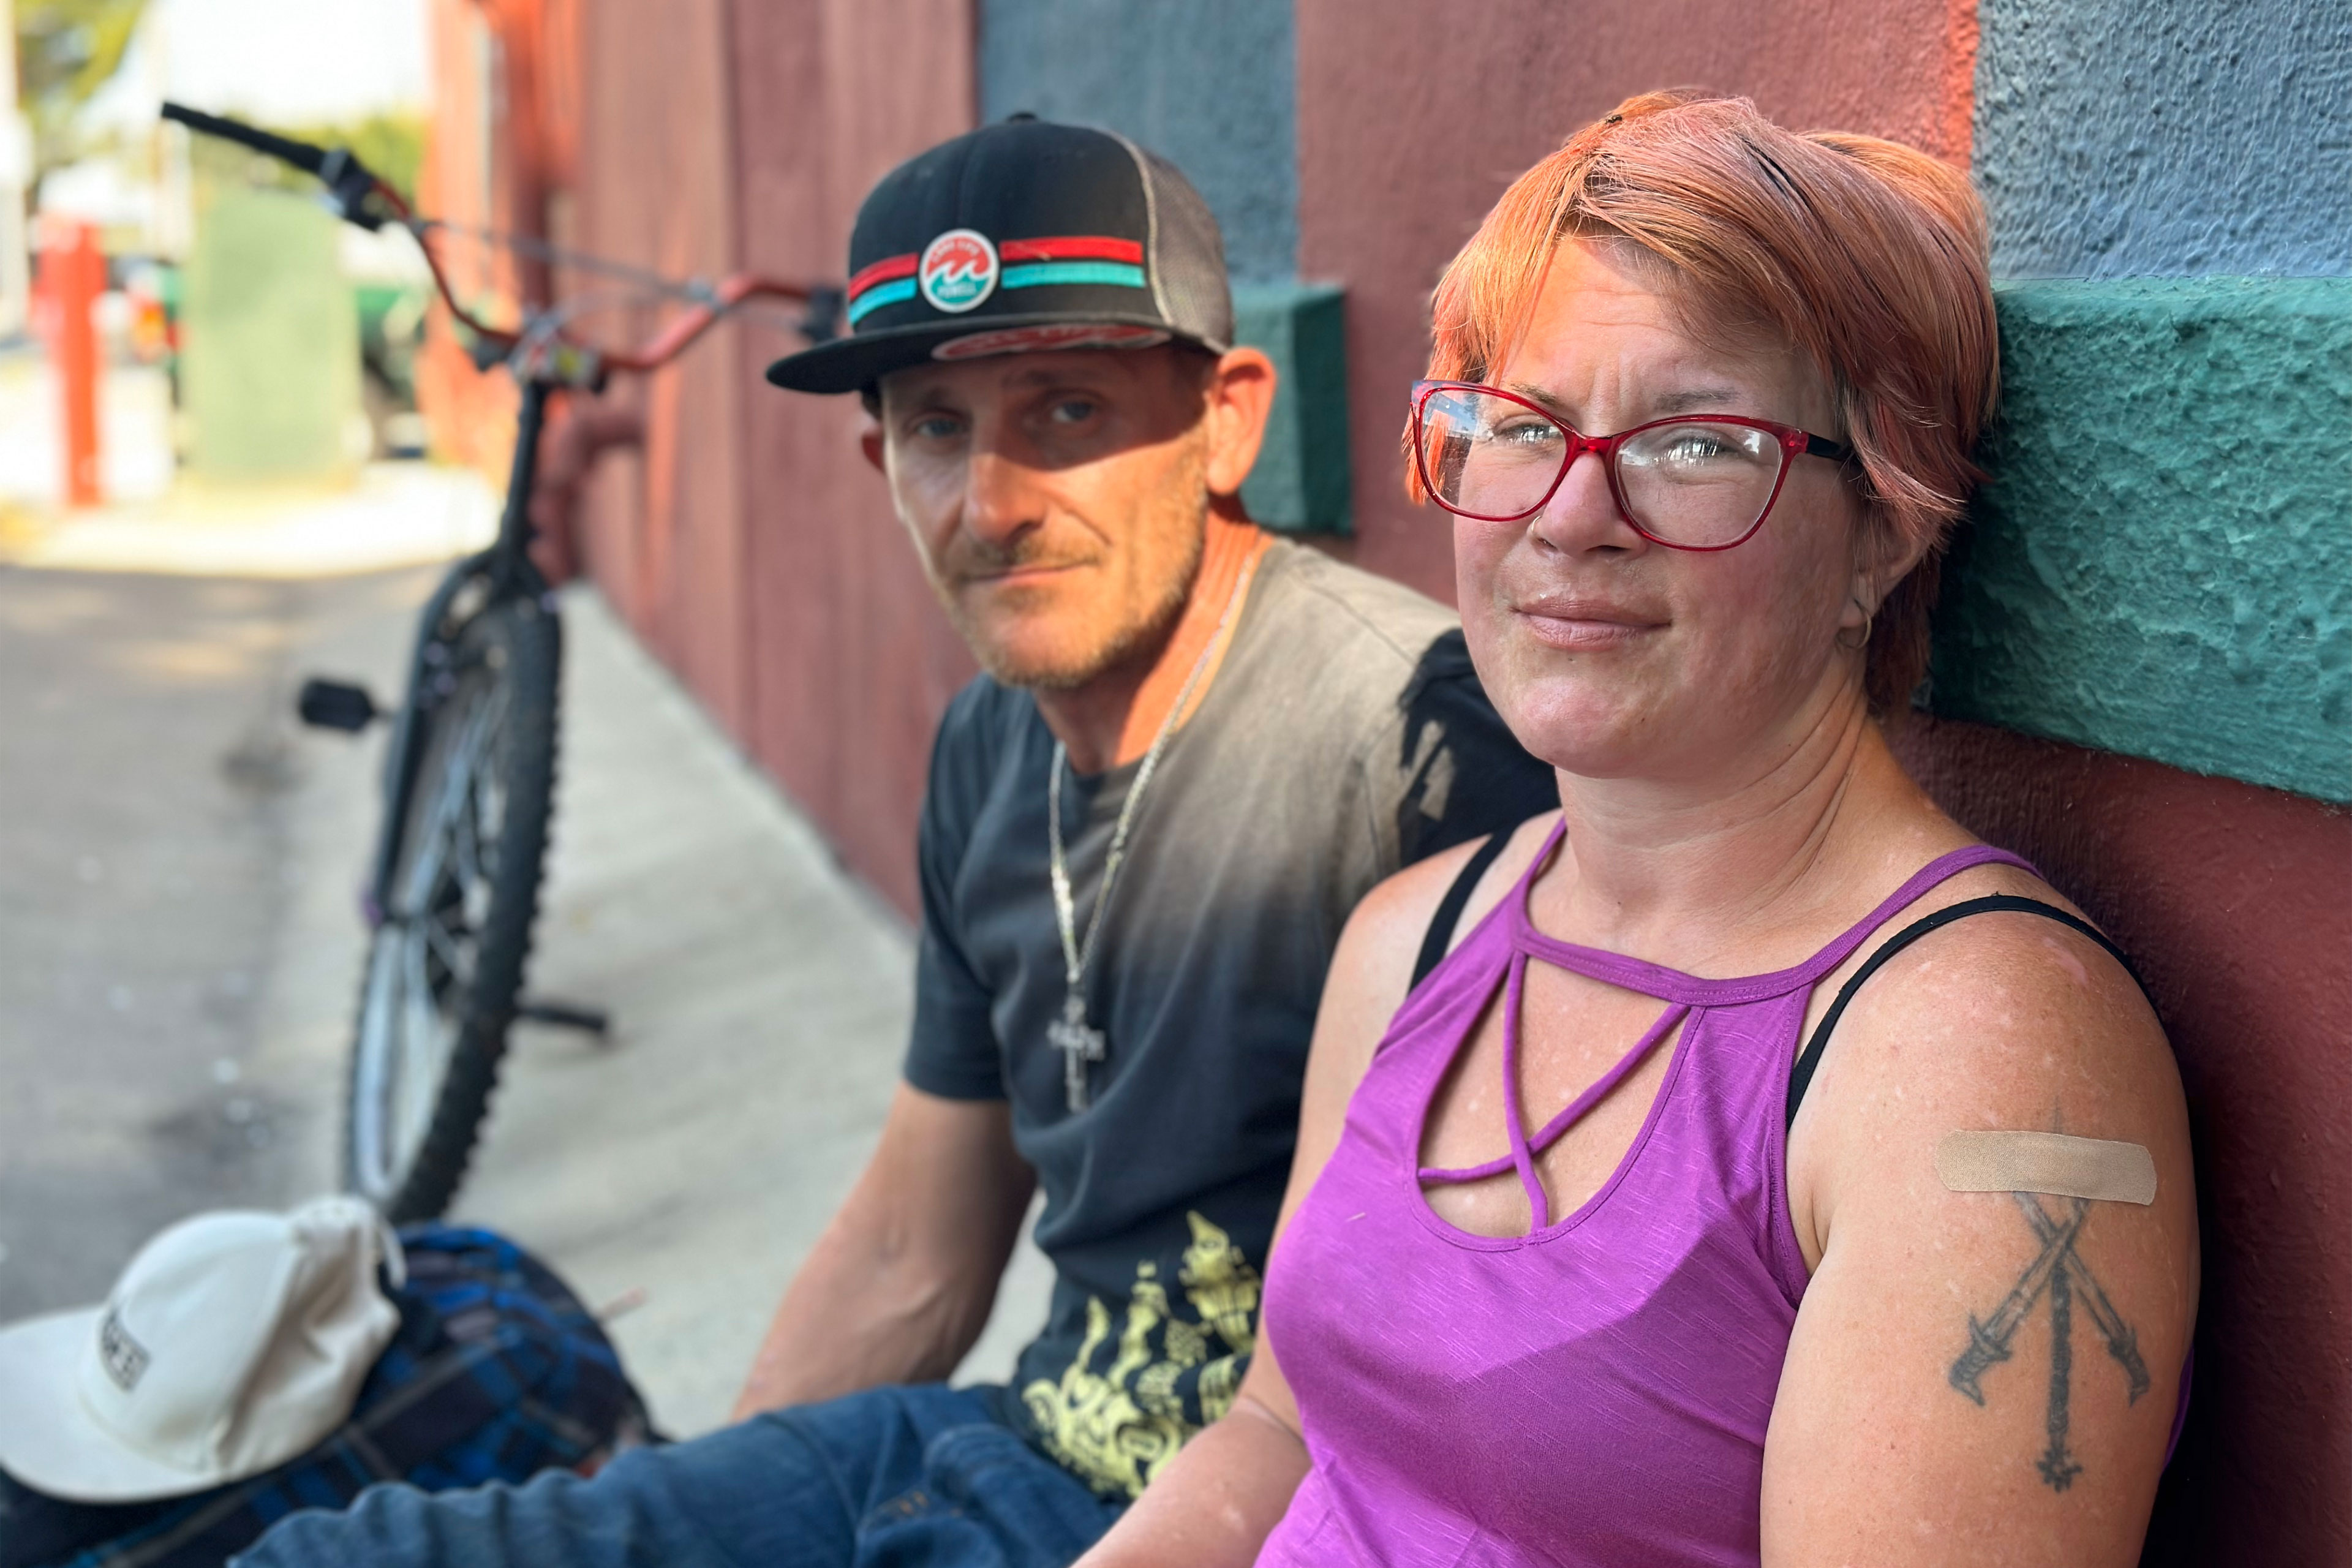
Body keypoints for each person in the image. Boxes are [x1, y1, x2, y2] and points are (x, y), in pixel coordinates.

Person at [236, 119, 1552, 1567]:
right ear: (880, 456)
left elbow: (1499, 1368)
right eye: (936, 427)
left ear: (1227, 420)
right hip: (991, 1454)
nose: (991, 505)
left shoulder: (1424, 754)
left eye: (1067, 410)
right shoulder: (989, 748)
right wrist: (715, 1509)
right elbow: (913, 1252)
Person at [1079, 93, 2198, 1567]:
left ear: (1884, 529)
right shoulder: (1415, 934)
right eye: (1517, 424)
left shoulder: (1979, 1061)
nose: (1570, 515)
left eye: (1693, 441)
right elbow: (1282, 1431)